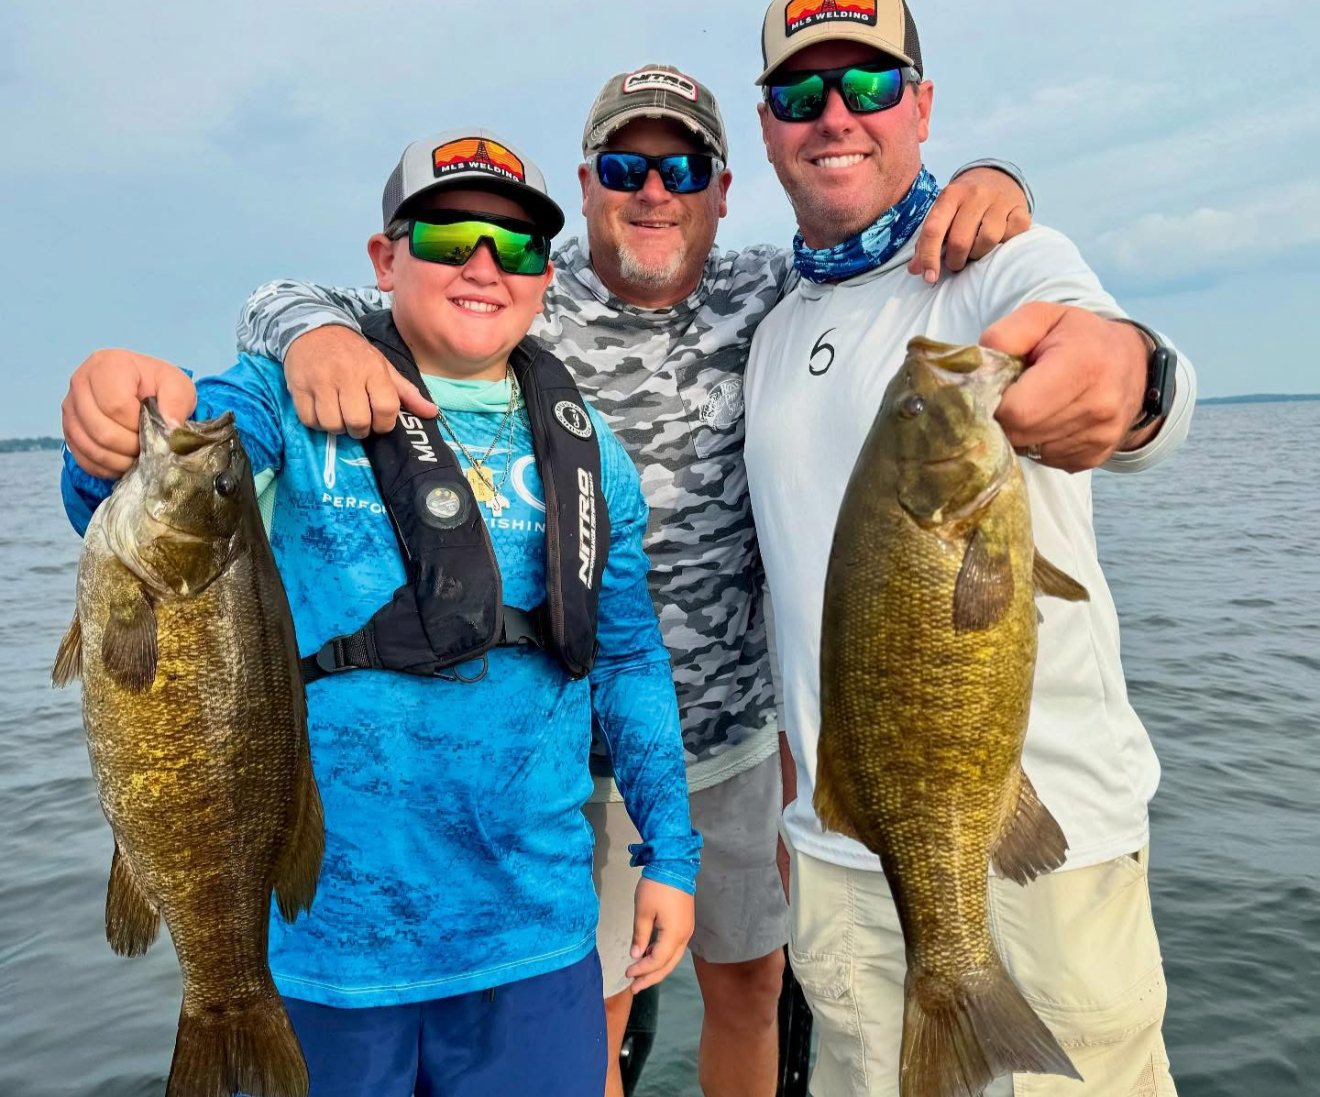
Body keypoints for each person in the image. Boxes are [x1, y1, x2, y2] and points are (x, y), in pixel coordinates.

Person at [226, 66, 1034, 1097]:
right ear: (589, 183)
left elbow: (890, 240)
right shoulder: (510, 285)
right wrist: (315, 335)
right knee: (596, 1006)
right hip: (567, 757)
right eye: (625, 166)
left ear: (722, 189)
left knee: (749, 983)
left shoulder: (773, 293)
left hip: (732, 734)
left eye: (683, 166)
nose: (655, 189)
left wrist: (999, 180)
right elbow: (285, 300)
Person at [59, 128, 702, 1097]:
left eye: (518, 246)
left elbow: (629, 659)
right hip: (322, 950)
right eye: (448, 237)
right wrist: (106, 417)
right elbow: (136, 497)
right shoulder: (286, 395)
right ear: (384, 257)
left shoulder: (589, 451)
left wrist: (672, 855)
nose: (484, 265)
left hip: (533, 937)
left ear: (543, 277)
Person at [742, 3, 1194, 1096]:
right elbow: (799, 596)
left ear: (923, 105)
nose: (835, 116)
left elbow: (1122, 378)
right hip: (849, 867)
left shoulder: (1003, 261)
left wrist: (1134, 377)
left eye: (872, 87)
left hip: (1053, 859)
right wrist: (798, 807)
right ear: (767, 130)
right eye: (802, 95)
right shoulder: (770, 326)